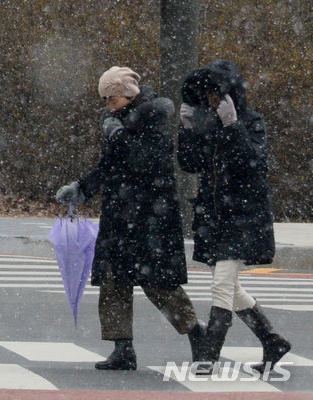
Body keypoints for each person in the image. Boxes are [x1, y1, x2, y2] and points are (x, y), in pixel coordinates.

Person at [56, 67, 206, 370]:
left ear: (127, 94)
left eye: (112, 99)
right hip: (119, 214)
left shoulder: (156, 117)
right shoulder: (117, 121)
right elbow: (109, 165)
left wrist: (119, 134)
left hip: (152, 215)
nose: (108, 106)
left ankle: (197, 334)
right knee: (114, 280)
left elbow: (145, 161)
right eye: (106, 100)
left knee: (159, 284)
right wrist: (82, 188)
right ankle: (122, 348)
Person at [177, 59, 290, 374]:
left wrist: (232, 126)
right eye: (208, 95)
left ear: (230, 95)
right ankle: (272, 340)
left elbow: (253, 163)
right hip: (215, 217)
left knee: (221, 285)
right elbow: (190, 163)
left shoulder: (251, 121)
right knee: (229, 286)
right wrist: (187, 131)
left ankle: (208, 356)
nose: (212, 101)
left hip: (244, 216)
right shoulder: (208, 124)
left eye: (217, 94)